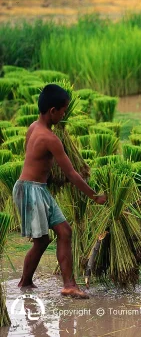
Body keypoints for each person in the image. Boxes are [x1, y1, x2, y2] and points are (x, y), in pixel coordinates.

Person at [12, 84, 106, 299]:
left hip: (38, 188)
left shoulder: (33, 126)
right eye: (63, 111)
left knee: (65, 232)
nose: (64, 115)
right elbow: (72, 174)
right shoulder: (50, 138)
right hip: (31, 191)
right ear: (53, 110)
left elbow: (37, 161)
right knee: (42, 241)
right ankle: (25, 282)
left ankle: (68, 285)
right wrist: (95, 196)